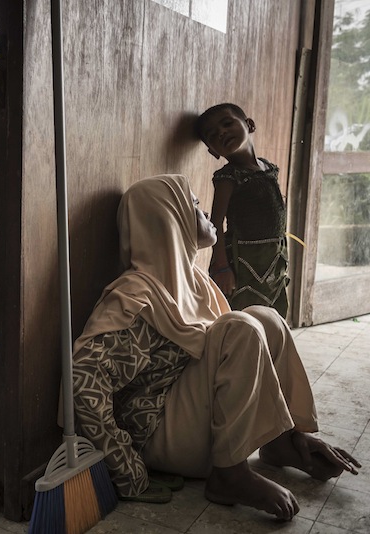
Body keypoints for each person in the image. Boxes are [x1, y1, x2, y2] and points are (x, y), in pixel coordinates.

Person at [72, 174, 360, 521]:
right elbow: (83, 379)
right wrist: (126, 468)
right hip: (157, 436)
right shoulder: (135, 297)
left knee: (265, 319)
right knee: (239, 328)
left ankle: (281, 438)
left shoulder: (191, 282)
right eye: (193, 204)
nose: (205, 211)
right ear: (172, 218)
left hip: (185, 418)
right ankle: (229, 474)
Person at [195, 103, 289, 317]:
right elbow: (216, 224)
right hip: (242, 262)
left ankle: (271, 349)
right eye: (213, 135)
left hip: (273, 258)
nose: (222, 132)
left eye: (227, 124)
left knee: (273, 311)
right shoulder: (228, 177)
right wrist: (221, 268)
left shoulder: (268, 168)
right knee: (244, 314)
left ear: (250, 124)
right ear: (213, 151)